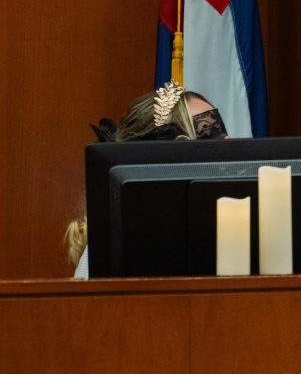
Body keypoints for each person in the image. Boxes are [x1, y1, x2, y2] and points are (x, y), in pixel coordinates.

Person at [66, 81, 228, 278]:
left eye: (222, 130)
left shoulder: (238, 229)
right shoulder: (111, 249)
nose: (229, 141)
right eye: (207, 131)